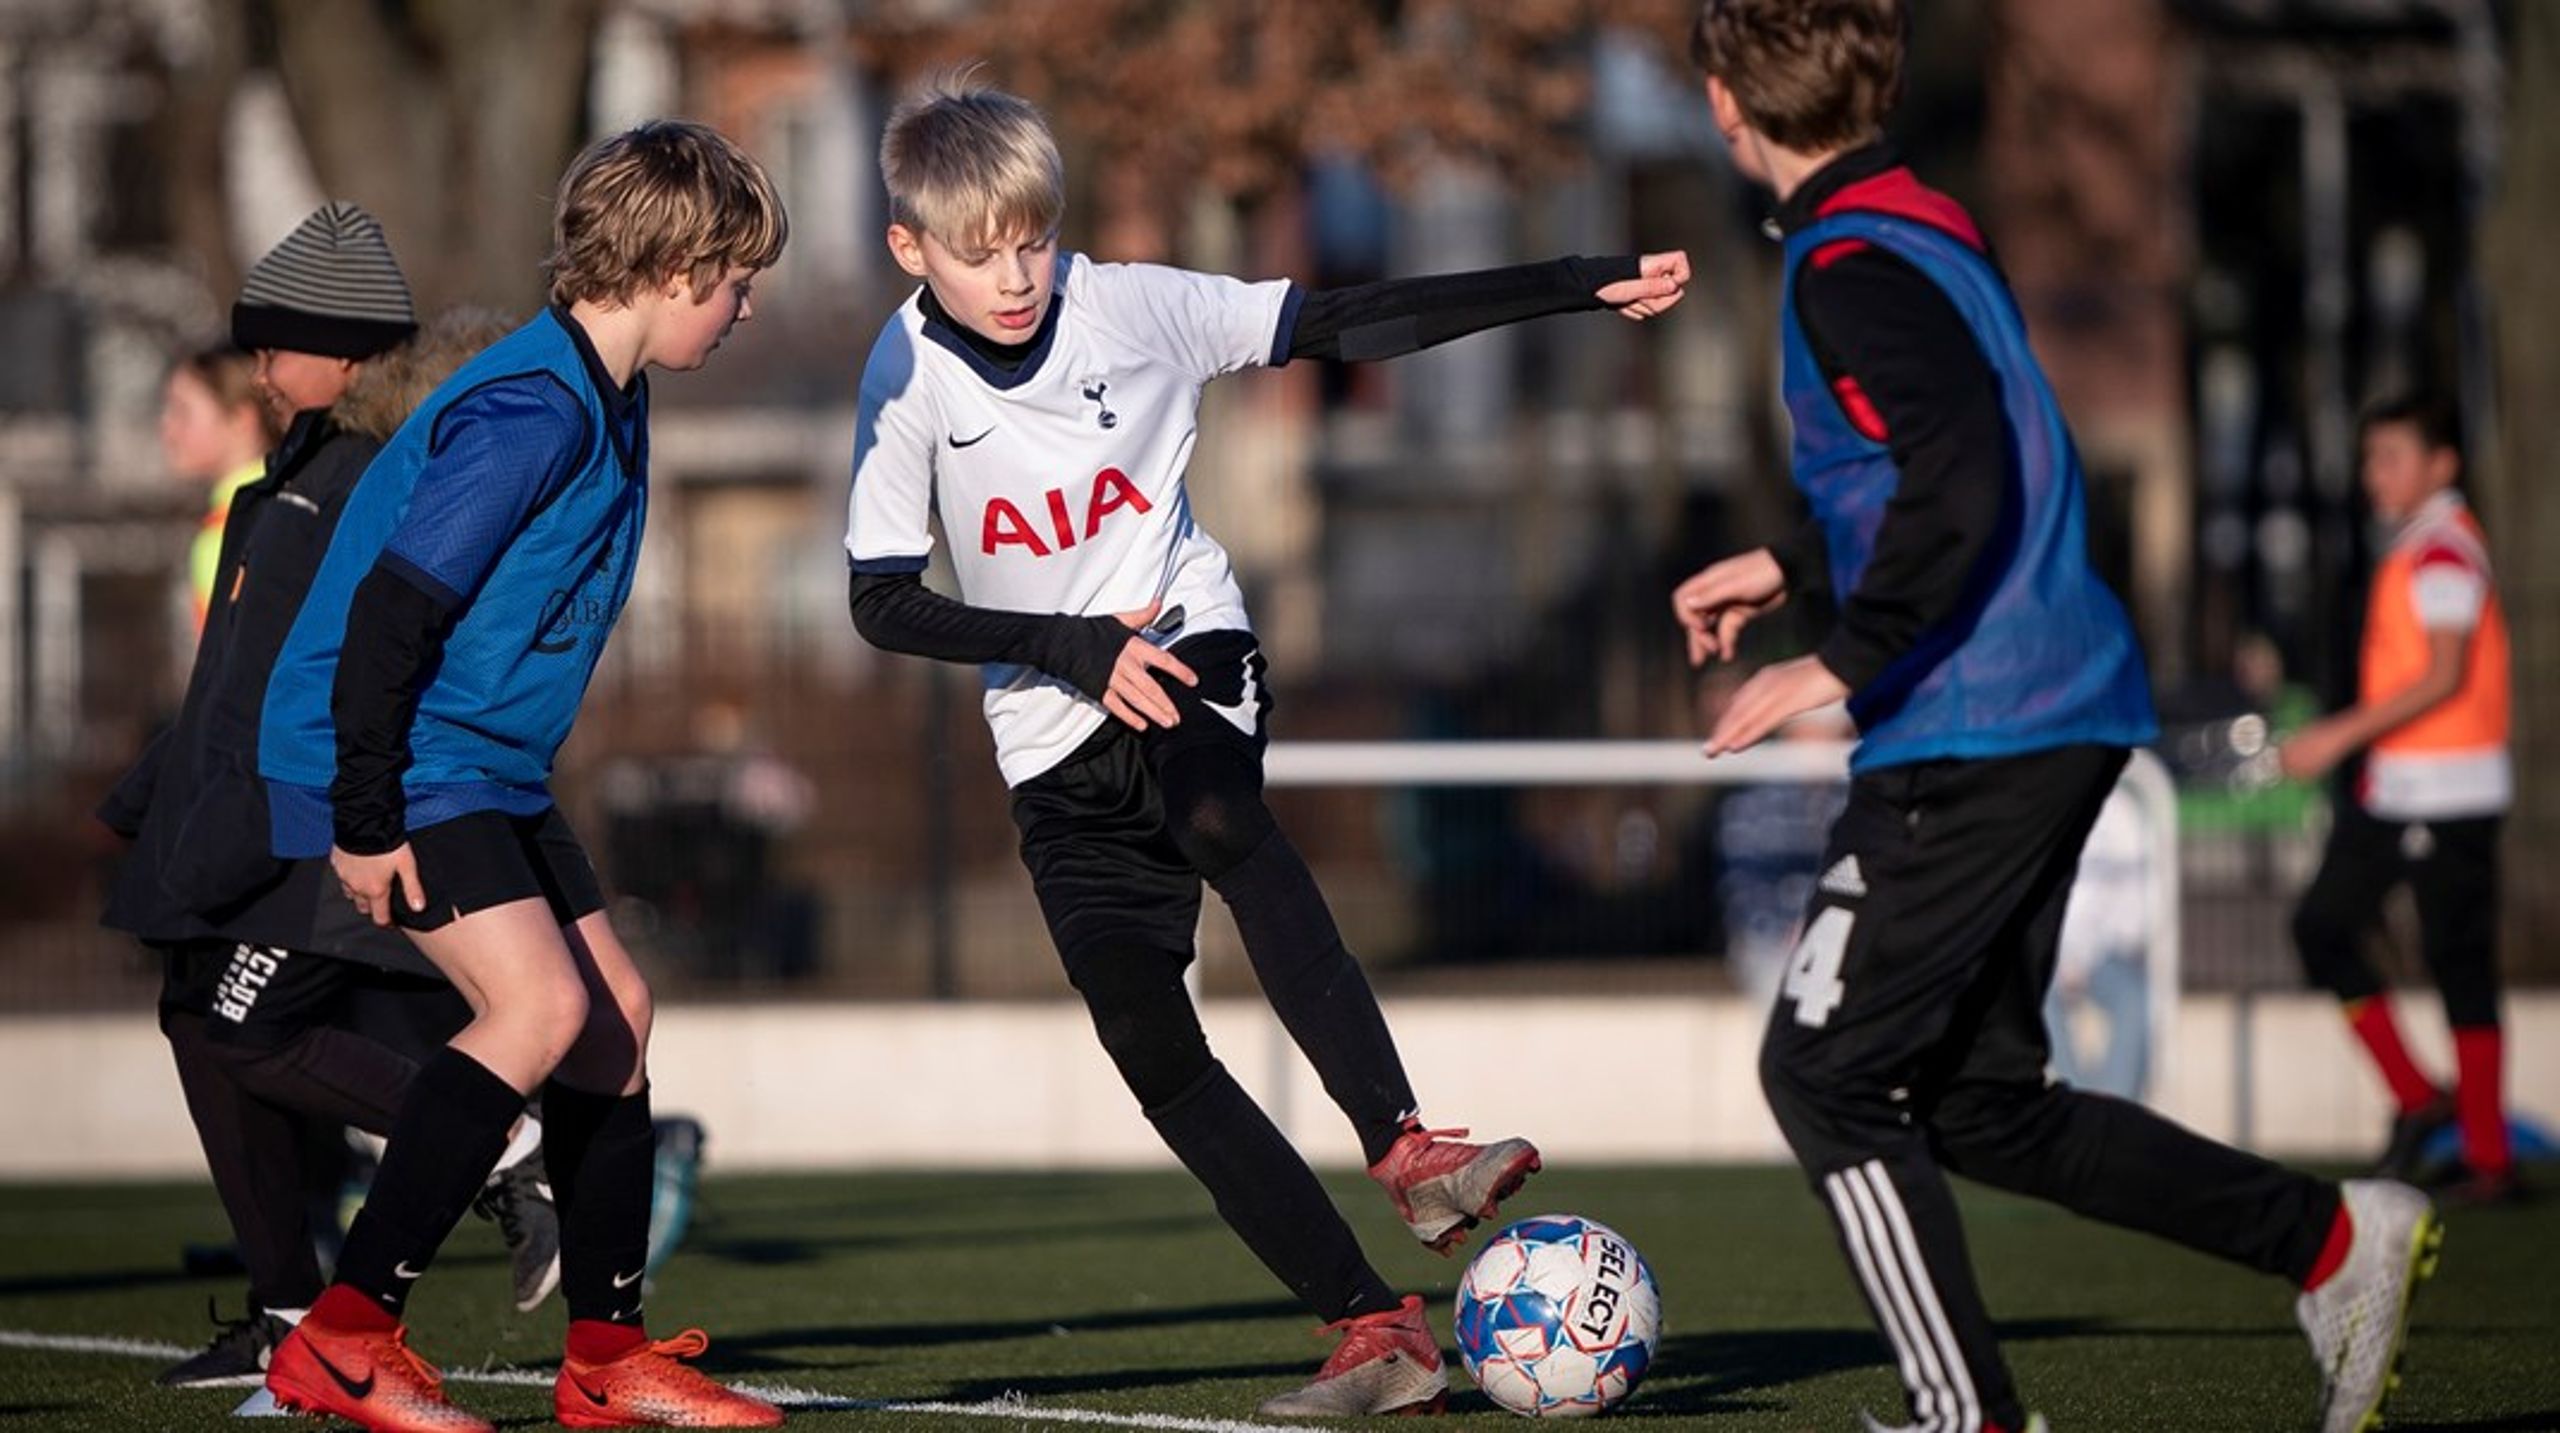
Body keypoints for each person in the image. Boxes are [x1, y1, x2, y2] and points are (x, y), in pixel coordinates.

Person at [841, 69, 1687, 1419]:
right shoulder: (902, 376)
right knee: (1143, 1033)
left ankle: (1407, 1149)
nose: (1013, 276)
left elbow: (1352, 319)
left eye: (1033, 241)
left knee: (1219, 815)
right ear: (909, 247)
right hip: (1050, 733)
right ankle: (1373, 1327)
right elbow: (880, 598)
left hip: (1189, 642)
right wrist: (1068, 645)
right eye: (978, 250)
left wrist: (1576, 282)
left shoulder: (1129, 305)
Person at [1670, 5, 2435, 1431]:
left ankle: (1964, 1410)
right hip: (2061, 702)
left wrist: (1837, 657)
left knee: (1825, 1075)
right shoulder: (1923, 223)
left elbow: (1964, 479)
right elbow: (1964, 464)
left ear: (1726, 103)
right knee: (1978, 1101)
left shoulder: (1842, 264)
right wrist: (1796, 563)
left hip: (1976, 722)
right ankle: (2329, 1240)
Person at [251, 122, 788, 1432]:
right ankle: (343, 1337)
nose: (745, 306)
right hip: (401, 750)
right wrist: (366, 815)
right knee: (538, 1009)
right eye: (734, 281)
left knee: (616, 1016)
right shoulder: (529, 410)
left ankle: (607, 1358)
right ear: (672, 271)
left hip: (479, 757)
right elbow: (391, 616)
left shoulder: (612, 390)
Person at [98, 211, 556, 1389]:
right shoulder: (297, 469)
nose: (256, 365)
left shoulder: (359, 477)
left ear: (346, 353)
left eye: (277, 343)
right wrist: (152, 792)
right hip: (234, 808)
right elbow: (231, 675)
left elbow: (327, 674)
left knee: (245, 1028)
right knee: (197, 1022)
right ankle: (287, 1310)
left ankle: (497, 1134)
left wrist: (298, 810)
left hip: (303, 817)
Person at [2282, 394, 2518, 1204]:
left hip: (2448, 792)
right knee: (2323, 927)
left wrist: (2337, 736)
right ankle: (2423, 1101)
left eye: (2390, 457)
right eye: (2369, 458)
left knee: (2457, 961)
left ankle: (2485, 1155)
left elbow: (2445, 675)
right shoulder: (2418, 545)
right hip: (2401, 788)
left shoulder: (2444, 550)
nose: (2372, 474)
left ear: (2441, 464)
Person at [157, 344, 280, 630]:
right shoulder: (293, 500)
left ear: (241, 419)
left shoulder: (229, 532)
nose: (166, 426)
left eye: (182, 411)